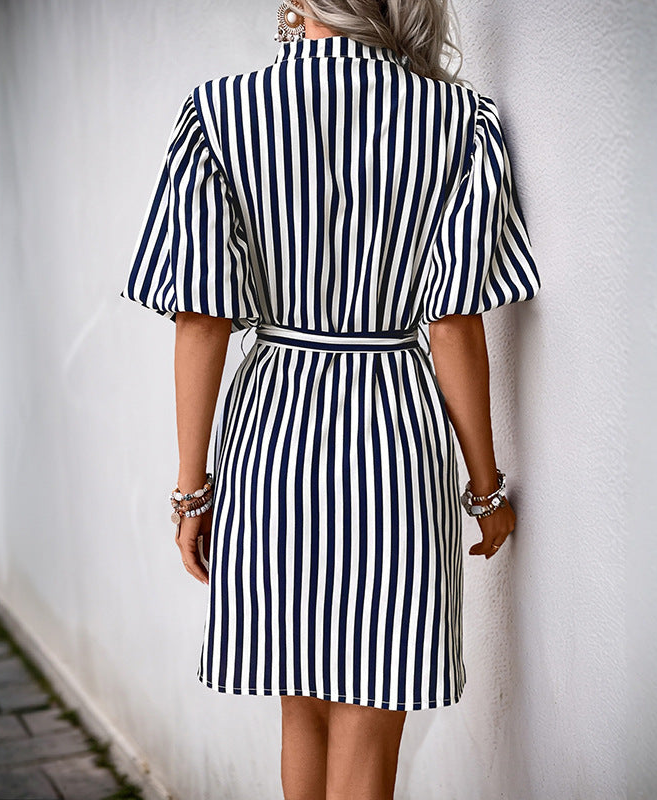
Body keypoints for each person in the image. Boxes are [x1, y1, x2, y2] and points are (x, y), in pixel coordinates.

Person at [120, 0, 540, 797]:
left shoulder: (219, 114)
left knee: (302, 704)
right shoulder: (460, 122)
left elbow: (201, 319)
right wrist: (486, 492)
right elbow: (453, 323)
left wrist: (191, 491)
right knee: (372, 705)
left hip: (272, 432)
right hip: (393, 437)